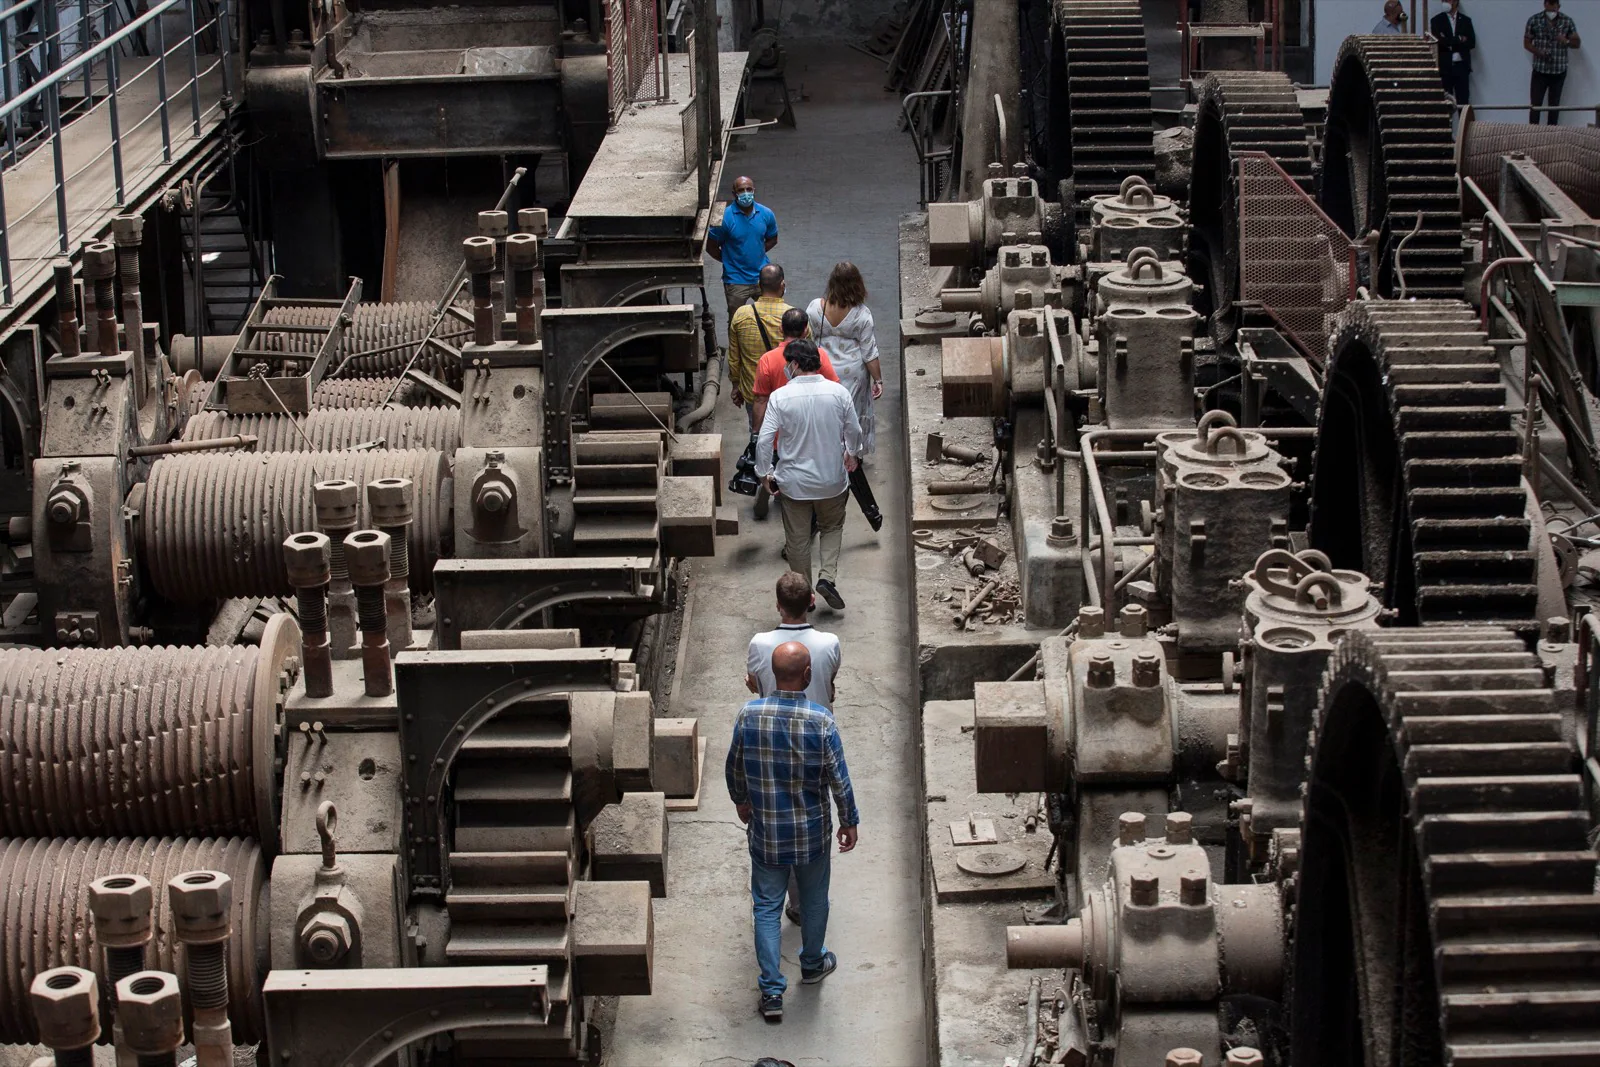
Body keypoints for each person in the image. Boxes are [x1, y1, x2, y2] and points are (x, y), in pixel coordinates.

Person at [726, 641, 859, 1022]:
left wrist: (741, 800)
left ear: (769, 672)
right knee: (815, 901)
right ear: (807, 675)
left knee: (767, 907)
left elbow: (733, 766)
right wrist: (848, 819)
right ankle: (813, 964)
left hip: (766, 833)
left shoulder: (748, 716)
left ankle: (771, 991)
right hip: (812, 835)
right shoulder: (821, 721)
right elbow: (839, 779)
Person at [755, 341, 863, 610]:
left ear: (794, 364)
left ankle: (805, 595)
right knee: (832, 527)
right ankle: (827, 577)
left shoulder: (780, 397)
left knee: (798, 540)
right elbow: (855, 431)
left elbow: (765, 440)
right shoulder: (839, 393)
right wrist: (853, 453)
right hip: (832, 480)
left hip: (794, 484)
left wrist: (764, 473)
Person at [747, 571, 842, 710]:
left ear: (778, 605)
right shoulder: (830, 643)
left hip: (772, 725)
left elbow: (754, 684)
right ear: (812, 600)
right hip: (819, 725)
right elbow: (829, 681)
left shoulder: (759, 643)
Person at [729, 265, 794, 430]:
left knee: (758, 436)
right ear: (783, 285)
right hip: (788, 395)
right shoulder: (793, 316)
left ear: (759, 285)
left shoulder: (741, 315)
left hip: (754, 392)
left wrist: (736, 386)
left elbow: (734, 358)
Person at [707, 175, 779, 322]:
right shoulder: (724, 218)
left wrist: (757, 252)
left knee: (770, 318)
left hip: (761, 277)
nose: (746, 193)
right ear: (734, 194)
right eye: (741, 190)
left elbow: (773, 239)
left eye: (748, 189)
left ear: (754, 190)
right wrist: (730, 259)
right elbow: (711, 246)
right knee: (736, 321)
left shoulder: (766, 214)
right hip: (736, 280)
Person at [1527, 0, 1581, 124]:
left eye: (1554, 6)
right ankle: (1531, 134)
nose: (1552, 10)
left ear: (1558, 6)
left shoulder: (1567, 21)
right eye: (1549, 5)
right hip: (1540, 70)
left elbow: (1577, 43)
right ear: (1545, 4)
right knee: (1535, 106)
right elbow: (1527, 43)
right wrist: (1539, 52)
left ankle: (1552, 136)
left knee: (1554, 107)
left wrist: (1566, 41)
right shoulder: (1534, 20)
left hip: (1558, 71)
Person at [1432, 0, 1475, 104]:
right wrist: (1459, 39)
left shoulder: (1466, 21)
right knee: (1446, 101)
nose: (1445, 2)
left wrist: (1450, 42)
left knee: (1463, 100)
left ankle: (1463, 120)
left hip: (1461, 67)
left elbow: (1471, 43)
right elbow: (1440, 42)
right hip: (1445, 68)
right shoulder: (1436, 20)